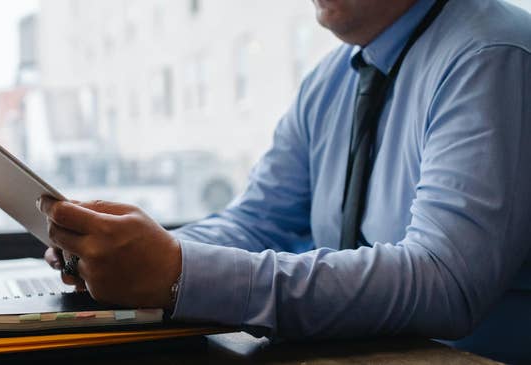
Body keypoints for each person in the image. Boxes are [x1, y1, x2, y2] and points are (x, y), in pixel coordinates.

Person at [37, 0, 531, 362]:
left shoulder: (492, 53)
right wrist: (126, 254)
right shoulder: (330, 79)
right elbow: (257, 221)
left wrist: (179, 271)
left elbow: (446, 283)